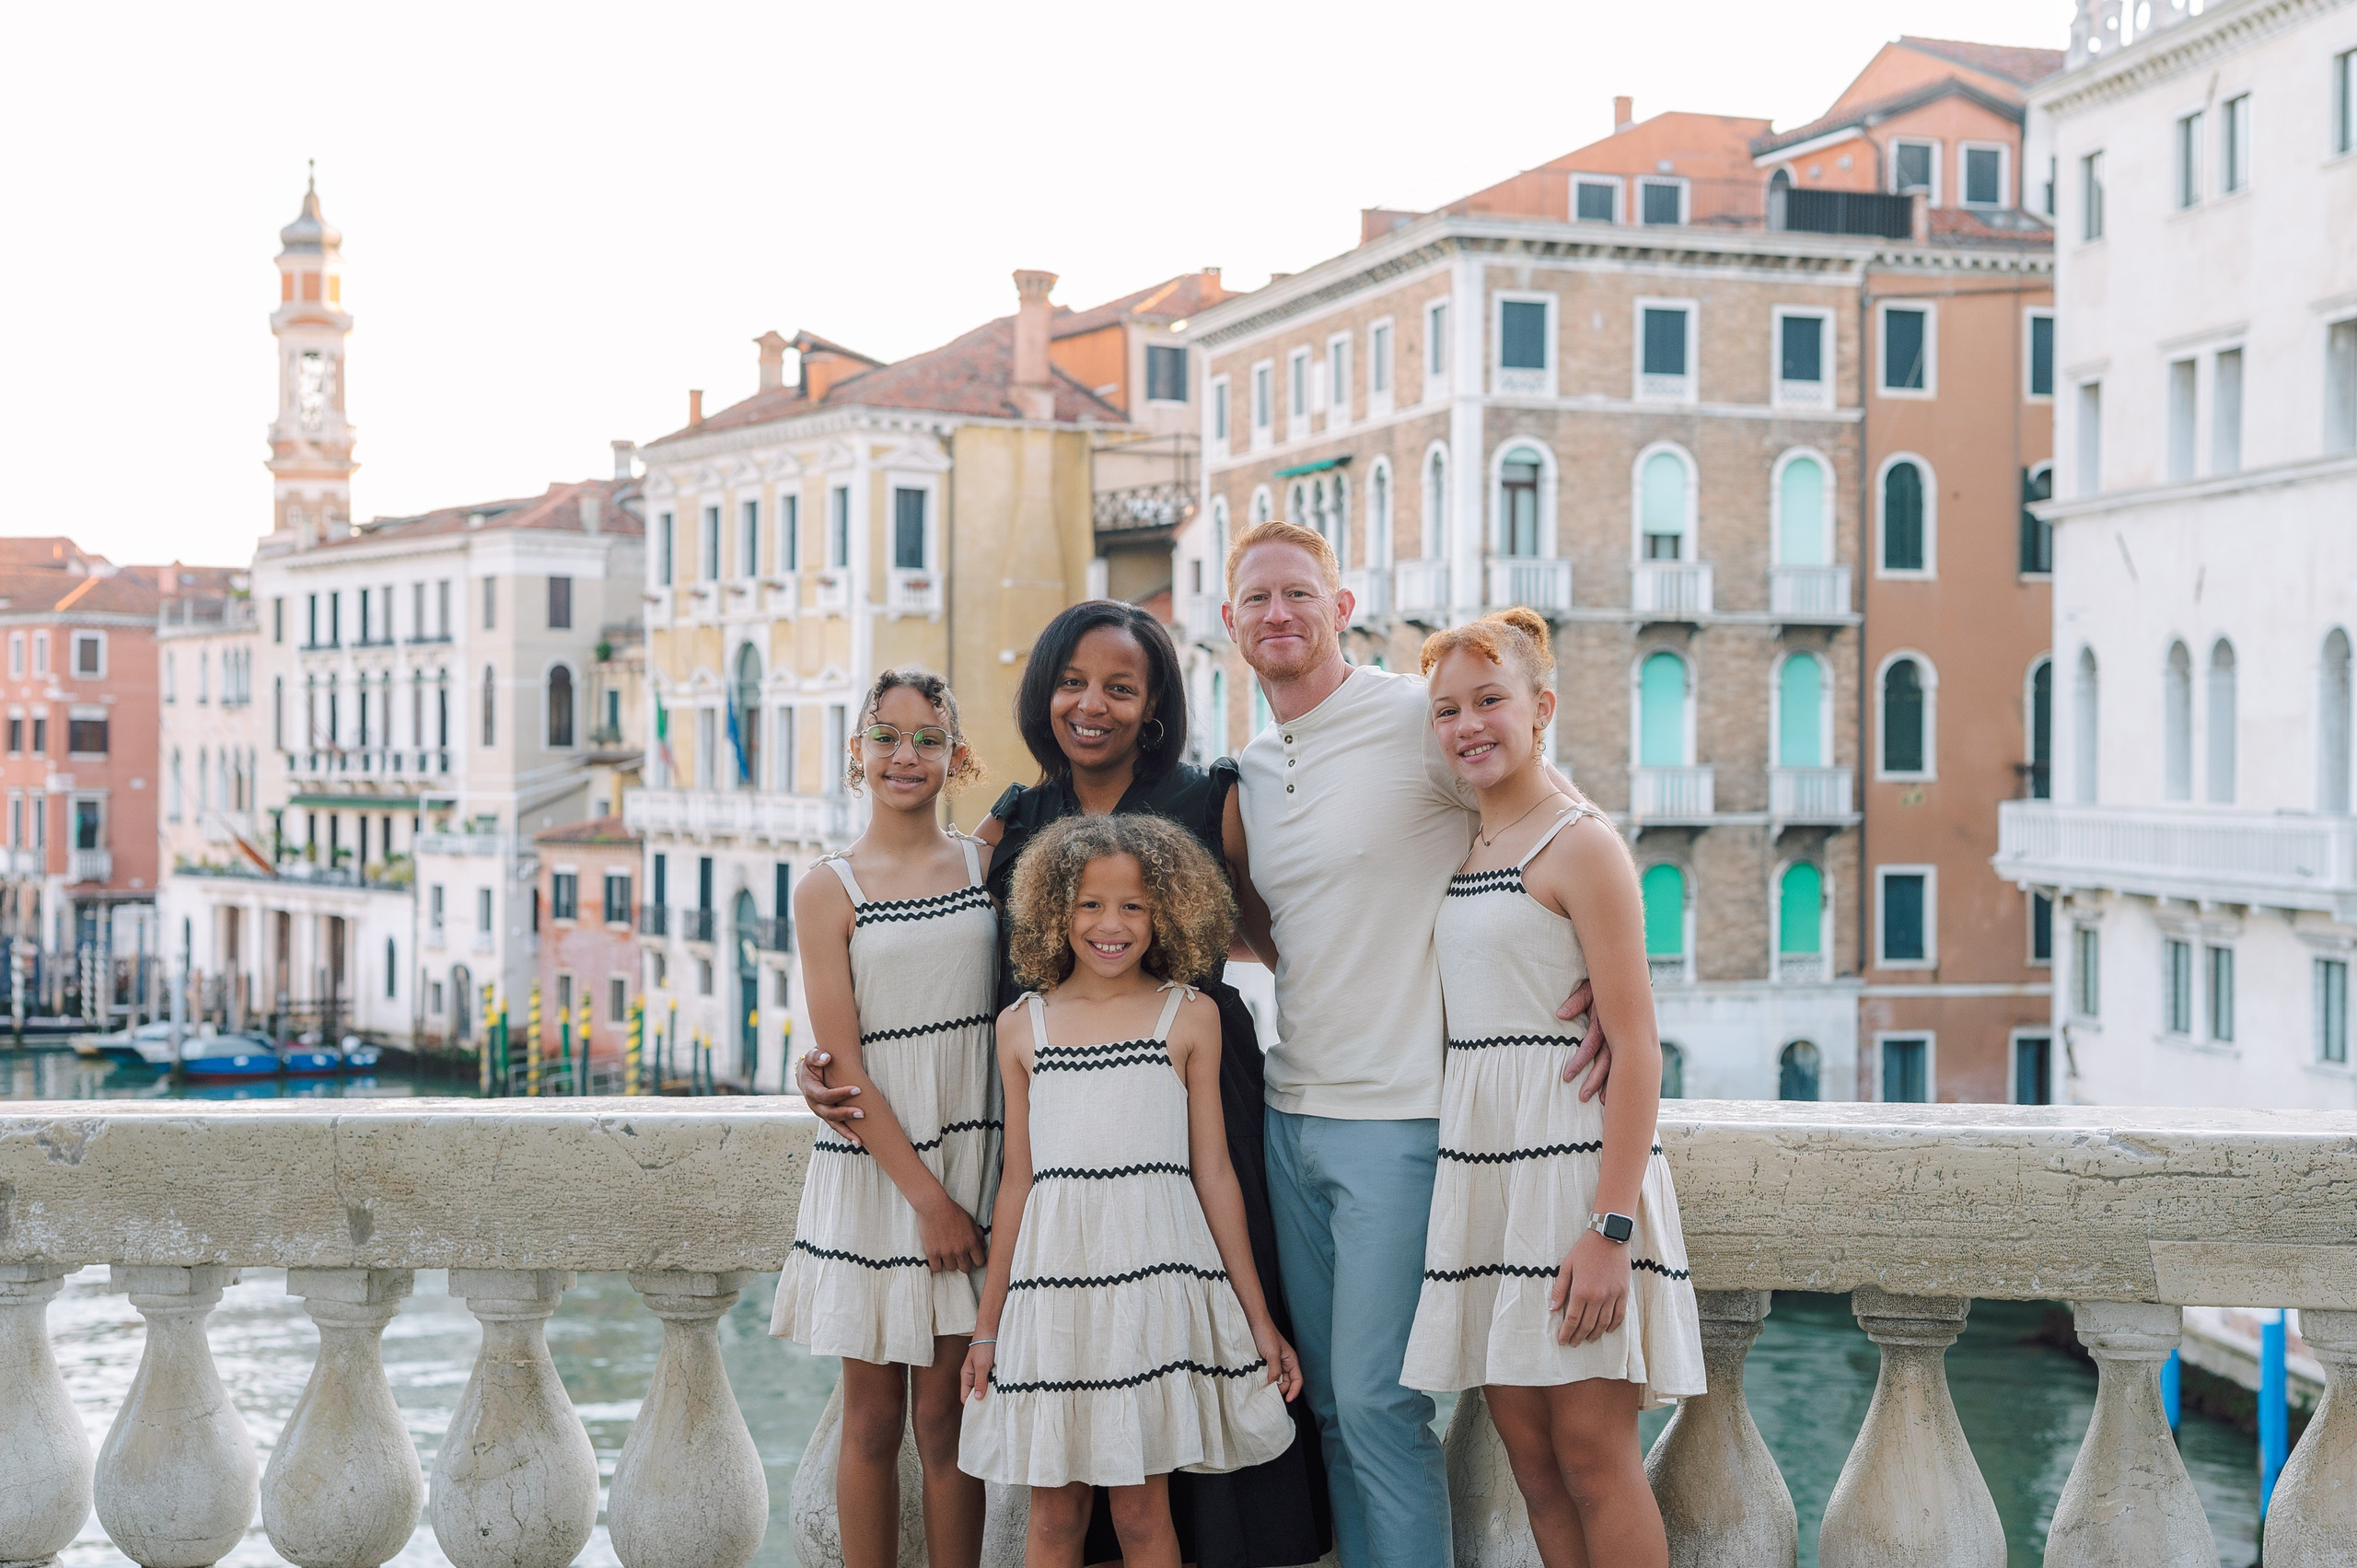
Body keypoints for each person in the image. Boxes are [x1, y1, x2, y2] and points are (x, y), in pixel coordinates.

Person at [802, 599, 1330, 1568]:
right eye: (1073, 682)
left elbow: (1284, 932)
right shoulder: (1014, 821)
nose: (1092, 703)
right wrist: (825, 1062)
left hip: (1189, 1101)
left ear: (1153, 701)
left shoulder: (1210, 797)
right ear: (1044, 691)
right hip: (1041, 1124)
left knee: (1197, 1359)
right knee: (1051, 1442)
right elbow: (942, 962)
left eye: (1120, 687)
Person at [1219, 520, 1609, 1568]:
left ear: (1341, 607)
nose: (1279, 614)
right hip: (1292, 1115)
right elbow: (1270, 924)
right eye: (1257, 599)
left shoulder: (1415, 714)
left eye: (1299, 593)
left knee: (1383, 1408)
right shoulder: (1252, 767)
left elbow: (1563, 814)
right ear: (1230, 625)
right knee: (1336, 1408)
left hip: (1399, 1118)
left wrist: (1613, 981)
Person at [1401, 610, 1704, 1568]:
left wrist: (1611, 1228)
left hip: (1575, 1175)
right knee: (1531, 1460)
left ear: (1543, 708)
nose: (1467, 723)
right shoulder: (1463, 840)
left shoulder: (1582, 846)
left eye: (1489, 699)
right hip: (1488, 1167)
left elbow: (1639, 1044)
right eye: (1446, 707)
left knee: (1592, 1453)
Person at [959, 814, 1303, 1568]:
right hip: (1054, 1293)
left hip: (1152, 1287)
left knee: (1143, 1514)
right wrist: (988, 1328)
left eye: (1133, 906)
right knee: (1054, 1515)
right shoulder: (1023, 1026)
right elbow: (1017, 1182)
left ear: (1166, 912)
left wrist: (1259, 1320)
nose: (1110, 924)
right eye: (1089, 903)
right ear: (1056, 909)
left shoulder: (1192, 1016)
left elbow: (1213, 1174)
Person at [770, 668, 999, 1568]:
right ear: (857, 751)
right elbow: (847, 1064)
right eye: (887, 734)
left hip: (973, 1158)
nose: (907, 754)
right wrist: (928, 1202)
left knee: (946, 1415)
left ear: (956, 753)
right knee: (870, 1418)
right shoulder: (826, 887)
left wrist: (959, 1201)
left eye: (929, 737)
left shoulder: (990, 865)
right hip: (880, 1176)